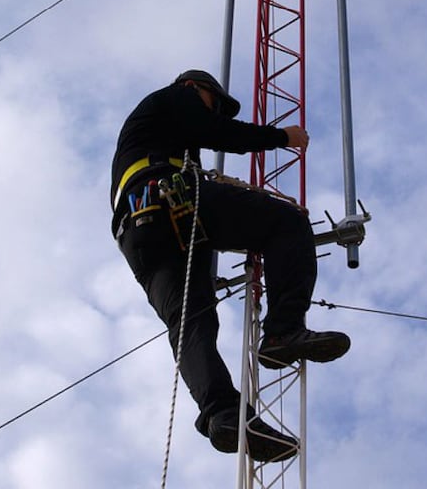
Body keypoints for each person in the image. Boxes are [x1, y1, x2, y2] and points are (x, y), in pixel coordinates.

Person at [110, 69, 350, 461]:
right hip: (171, 197)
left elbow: (204, 131)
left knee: (190, 321)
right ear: (194, 87)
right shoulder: (176, 97)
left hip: (136, 230)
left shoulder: (155, 133)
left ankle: (223, 414)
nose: (215, 110)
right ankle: (283, 333)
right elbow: (216, 131)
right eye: (214, 102)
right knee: (287, 224)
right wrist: (282, 137)